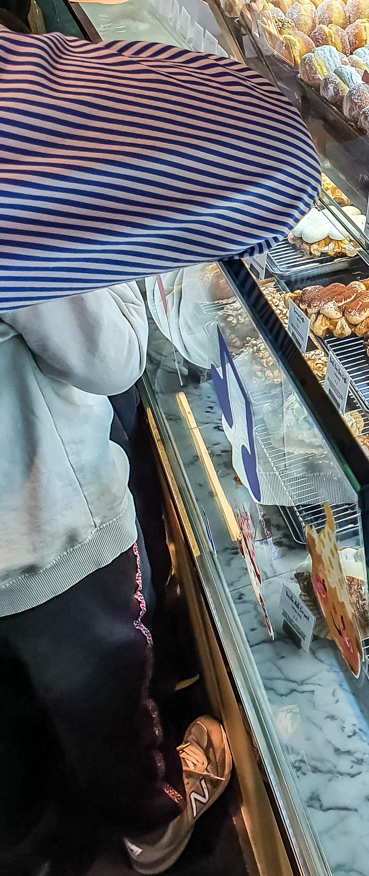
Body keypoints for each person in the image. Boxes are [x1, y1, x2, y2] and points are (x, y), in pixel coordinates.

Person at [0, 285, 232, 875]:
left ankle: (34, 831)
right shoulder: (21, 229)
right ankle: (153, 822)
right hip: (47, 530)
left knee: (19, 714)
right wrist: (121, 273)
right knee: (108, 696)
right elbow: (113, 356)